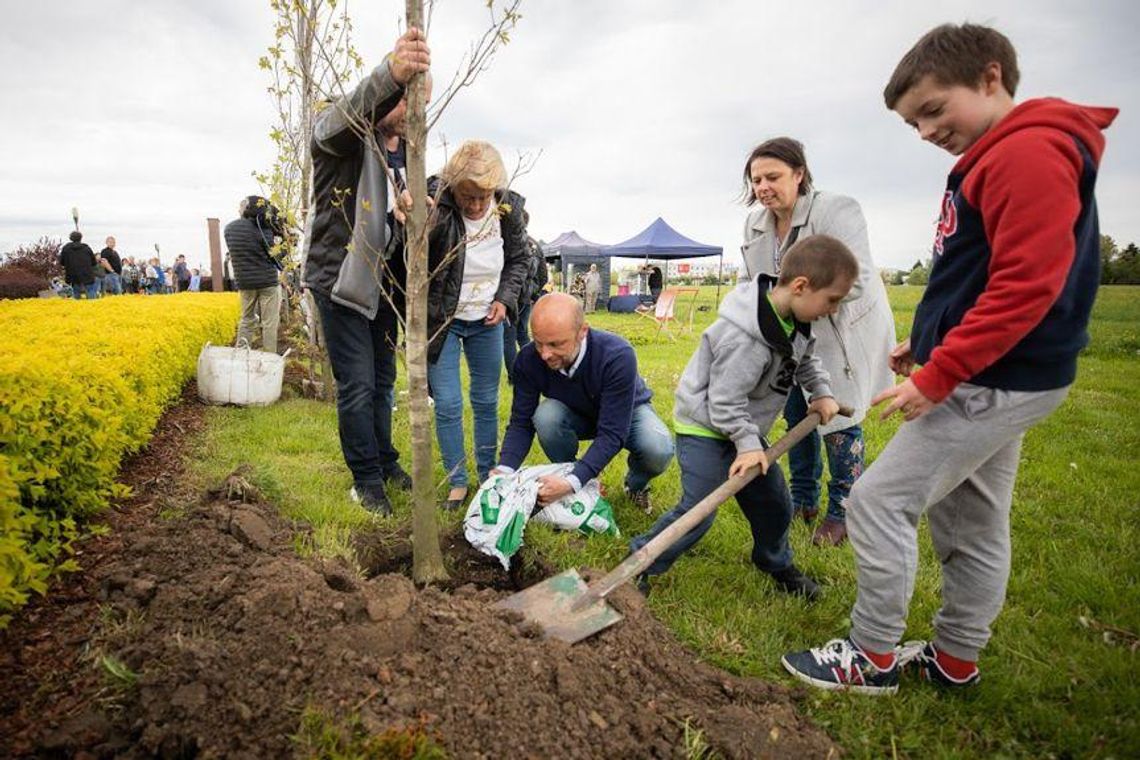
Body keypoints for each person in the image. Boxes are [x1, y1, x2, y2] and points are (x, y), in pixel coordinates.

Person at [782, 23, 1116, 695]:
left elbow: (1027, 286)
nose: (927, 131)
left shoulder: (1028, 154)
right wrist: (929, 342)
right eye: (913, 123)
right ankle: (955, 658)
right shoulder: (1004, 154)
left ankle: (870, 656)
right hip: (1002, 370)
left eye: (934, 110)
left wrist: (941, 373)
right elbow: (980, 273)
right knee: (972, 516)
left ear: (990, 78)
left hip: (995, 377)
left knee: (877, 502)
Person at [630, 236, 854, 599]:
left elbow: (806, 361)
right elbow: (724, 400)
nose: (832, 310)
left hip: (743, 428)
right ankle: (639, 562)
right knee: (700, 510)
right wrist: (748, 445)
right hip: (705, 425)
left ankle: (775, 561)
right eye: (831, 300)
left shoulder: (794, 320)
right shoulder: (744, 337)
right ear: (800, 286)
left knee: (774, 503)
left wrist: (823, 392)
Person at [740, 137, 896, 547]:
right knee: (796, 413)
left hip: (838, 329)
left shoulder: (835, 211)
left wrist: (791, 303)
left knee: (837, 417)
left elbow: (857, 280)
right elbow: (751, 283)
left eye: (772, 176)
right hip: (789, 337)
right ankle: (803, 498)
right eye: (756, 179)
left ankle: (843, 508)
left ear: (799, 174)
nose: (763, 187)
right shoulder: (755, 224)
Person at [301, 28, 429, 515]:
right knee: (355, 383)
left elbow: (396, 217)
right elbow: (337, 120)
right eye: (407, 97)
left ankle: (384, 459)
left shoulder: (405, 152)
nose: (413, 110)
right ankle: (365, 481)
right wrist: (389, 73)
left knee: (380, 381)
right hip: (340, 279)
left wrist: (415, 211)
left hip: (383, 285)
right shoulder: (346, 138)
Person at [495, 292, 675, 513]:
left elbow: (613, 432)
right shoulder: (528, 360)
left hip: (626, 411)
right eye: (539, 342)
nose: (544, 354)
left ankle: (635, 485)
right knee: (546, 416)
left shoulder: (617, 355)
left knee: (657, 448)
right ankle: (570, 478)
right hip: (575, 412)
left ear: (582, 332)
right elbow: (521, 422)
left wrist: (576, 479)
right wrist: (505, 469)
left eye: (555, 344)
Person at [424, 140, 530, 510]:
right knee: (449, 403)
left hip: (488, 318)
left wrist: (504, 299)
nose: (475, 205)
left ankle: (487, 474)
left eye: (483, 196)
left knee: (486, 400)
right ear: (455, 188)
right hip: (445, 320)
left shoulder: (508, 210)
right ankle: (457, 480)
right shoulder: (435, 203)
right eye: (467, 196)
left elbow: (520, 260)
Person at [225, 197, 284, 353]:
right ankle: (269, 358)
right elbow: (276, 255)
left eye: (239, 208)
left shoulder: (229, 228)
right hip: (268, 283)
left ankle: (241, 354)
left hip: (245, 283)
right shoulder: (264, 229)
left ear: (245, 210)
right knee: (269, 322)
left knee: (246, 319)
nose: (238, 210)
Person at [502, 212, 548, 384]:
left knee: (509, 338)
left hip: (510, 298)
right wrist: (534, 294)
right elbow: (543, 276)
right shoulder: (535, 244)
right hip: (526, 299)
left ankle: (515, 377)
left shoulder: (510, 242)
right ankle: (534, 370)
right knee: (522, 335)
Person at [59, 231, 99, 299]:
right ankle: (92, 307)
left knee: (76, 293)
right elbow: (94, 262)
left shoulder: (66, 248)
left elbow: (62, 262)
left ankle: (77, 308)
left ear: (70, 238)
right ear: (81, 238)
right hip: (87, 274)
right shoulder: (86, 248)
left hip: (73, 274)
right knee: (90, 292)